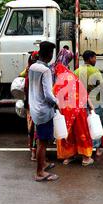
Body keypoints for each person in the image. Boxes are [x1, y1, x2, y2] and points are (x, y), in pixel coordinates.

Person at [53, 54, 95, 166]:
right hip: (79, 111)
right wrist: (91, 106)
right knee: (82, 133)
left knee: (68, 134)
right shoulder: (73, 77)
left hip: (66, 114)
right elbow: (84, 93)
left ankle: (69, 156)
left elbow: (54, 97)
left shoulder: (58, 82)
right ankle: (85, 158)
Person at [28, 41, 59, 182]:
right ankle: (40, 172)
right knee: (43, 141)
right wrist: (58, 103)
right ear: (49, 54)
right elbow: (48, 95)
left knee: (41, 139)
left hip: (35, 108)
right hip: (44, 110)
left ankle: (43, 164)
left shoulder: (33, 66)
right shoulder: (45, 70)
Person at [74, 50, 103, 157]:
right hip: (95, 103)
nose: (95, 60)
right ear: (90, 58)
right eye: (95, 58)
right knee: (96, 124)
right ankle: (97, 149)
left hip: (81, 103)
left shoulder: (76, 71)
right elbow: (102, 87)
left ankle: (85, 148)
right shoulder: (95, 71)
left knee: (84, 126)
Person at [20, 51, 39, 161]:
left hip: (30, 105)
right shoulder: (41, 72)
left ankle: (32, 151)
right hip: (38, 105)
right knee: (37, 129)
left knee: (31, 129)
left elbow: (20, 76)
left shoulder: (28, 73)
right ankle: (35, 152)